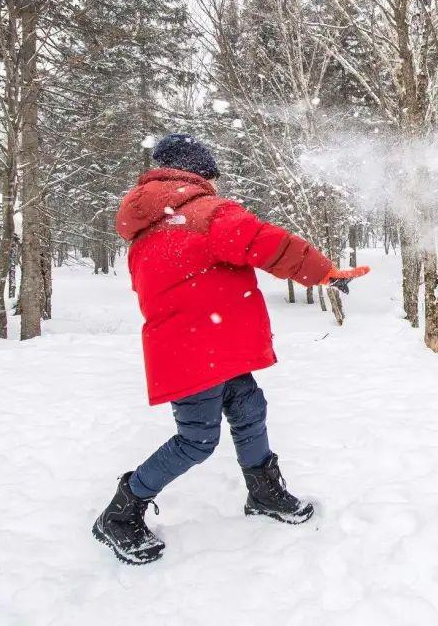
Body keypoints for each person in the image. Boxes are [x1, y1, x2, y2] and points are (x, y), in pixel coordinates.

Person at [93, 133, 369, 564]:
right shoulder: (201, 211)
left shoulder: (148, 226)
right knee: (196, 440)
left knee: (249, 408)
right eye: (211, 177)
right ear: (197, 174)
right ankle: (121, 511)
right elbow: (263, 240)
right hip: (196, 351)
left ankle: (264, 493)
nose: (214, 185)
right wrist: (324, 271)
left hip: (206, 346)